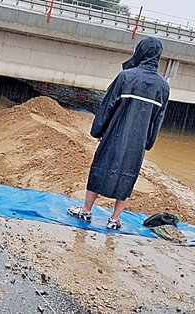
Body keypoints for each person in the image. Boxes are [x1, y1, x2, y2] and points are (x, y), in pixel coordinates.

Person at [67, 37, 170, 229]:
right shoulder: (163, 86)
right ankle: (114, 220)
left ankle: (86, 211)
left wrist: (98, 130)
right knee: (128, 176)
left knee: (100, 168)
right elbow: (158, 118)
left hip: (114, 134)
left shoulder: (126, 77)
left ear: (140, 51)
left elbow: (108, 105)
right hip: (137, 142)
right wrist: (148, 142)